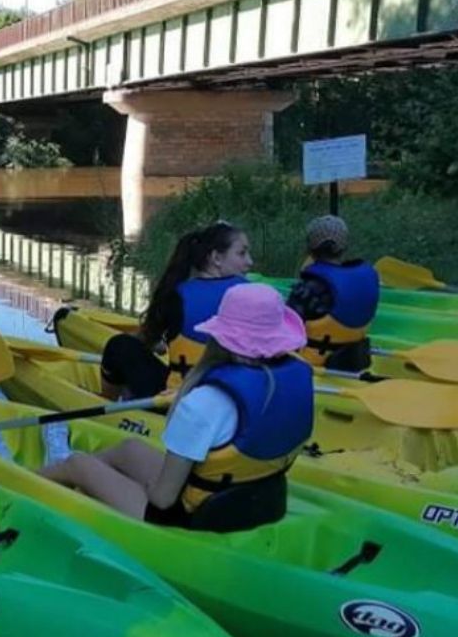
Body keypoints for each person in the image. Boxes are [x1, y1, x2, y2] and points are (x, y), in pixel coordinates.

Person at [41, 284, 313, 529]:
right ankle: (76, 485)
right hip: (262, 501)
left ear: (220, 337)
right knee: (129, 449)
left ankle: (28, 482)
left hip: (191, 516)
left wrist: (144, 486)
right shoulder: (297, 379)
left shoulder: (204, 402)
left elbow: (162, 499)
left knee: (77, 464)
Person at [139, 221, 253, 385]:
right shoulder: (250, 293)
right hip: (235, 391)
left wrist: (160, 343)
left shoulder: (174, 294)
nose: (250, 261)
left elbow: (152, 342)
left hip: (181, 393)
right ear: (216, 258)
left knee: (120, 346)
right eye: (242, 253)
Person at [287, 215, 379, 372]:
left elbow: (286, 330)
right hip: (357, 360)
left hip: (314, 365)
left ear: (310, 249)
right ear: (344, 247)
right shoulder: (368, 277)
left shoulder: (308, 288)